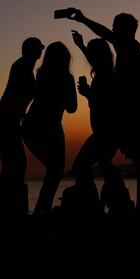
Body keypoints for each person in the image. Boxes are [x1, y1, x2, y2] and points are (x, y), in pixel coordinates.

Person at [64, 9, 140, 216]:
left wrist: (82, 19)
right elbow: (103, 61)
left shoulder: (132, 51)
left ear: (126, 30)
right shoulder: (127, 49)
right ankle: (124, 205)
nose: (113, 30)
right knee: (118, 162)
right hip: (133, 116)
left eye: (116, 27)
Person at [70, 32, 132, 215]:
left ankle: (92, 204)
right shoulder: (107, 71)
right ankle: (119, 202)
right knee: (104, 163)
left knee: (80, 166)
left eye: (92, 54)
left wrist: (88, 93)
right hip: (108, 132)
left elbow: (105, 102)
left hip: (105, 132)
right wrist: (81, 46)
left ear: (98, 56)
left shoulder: (105, 75)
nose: (90, 59)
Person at [22, 41, 77, 216]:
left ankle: (41, 210)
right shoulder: (66, 79)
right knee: (55, 171)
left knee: (53, 171)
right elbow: (72, 107)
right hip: (49, 129)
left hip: (32, 126)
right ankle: (41, 211)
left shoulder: (41, 74)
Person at [0, 37, 44, 216]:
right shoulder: (23, 66)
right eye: (39, 47)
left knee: (13, 164)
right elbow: (25, 92)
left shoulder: (24, 66)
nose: (41, 51)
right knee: (16, 163)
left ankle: (9, 206)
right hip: (6, 121)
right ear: (33, 50)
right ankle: (12, 209)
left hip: (9, 120)